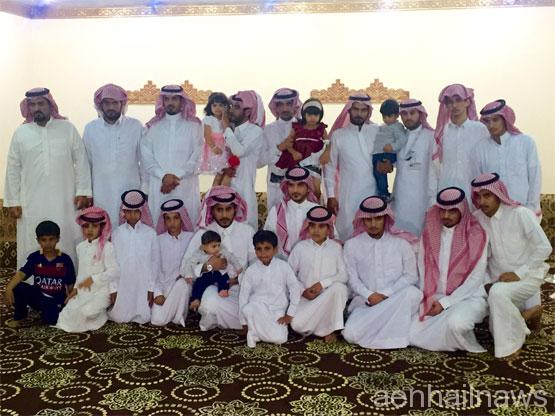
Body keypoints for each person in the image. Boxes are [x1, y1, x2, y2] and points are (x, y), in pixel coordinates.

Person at [4, 88, 91, 268]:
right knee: (31, 239)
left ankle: (67, 278)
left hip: (65, 200)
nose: (37, 108)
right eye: (32, 105)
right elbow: (13, 168)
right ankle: (30, 280)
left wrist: (83, 191)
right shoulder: (21, 133)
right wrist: (13, 201)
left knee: (66, 236)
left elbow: (81, 160)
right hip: (31, 201)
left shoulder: (67, 128)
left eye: (41, 103)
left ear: (50, 105)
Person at [471, 173, 552, 359]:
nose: (482, 202)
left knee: (498, 296)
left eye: (487, 196)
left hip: (527, 277)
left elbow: (544, 247)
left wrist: (518, 273)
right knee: (493, 324)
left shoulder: (520, 214)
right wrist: (486, 281)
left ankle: (510, 347)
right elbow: (479, 256)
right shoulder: (478, 218)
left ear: (498, 195)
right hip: (497, 279)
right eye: (479, 196)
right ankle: (526, 315)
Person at [409, 187, 488, 352]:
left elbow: (475, 279)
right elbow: (423, 268)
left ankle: (454, 334)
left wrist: (445, 304)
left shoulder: (477, 235)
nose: (446, 215)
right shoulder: (430, 232)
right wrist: (428, 296)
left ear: (461, 211)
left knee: (456, 324)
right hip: (435, 296)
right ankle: (444, 336)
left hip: (468, 297)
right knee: (409, 329)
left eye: (452, 211)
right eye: (442, 210)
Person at [342, 196, 421, 349]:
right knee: (350, 334)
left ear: (386, 218)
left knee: (412, 293)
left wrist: (386, 294)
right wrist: (369, 295)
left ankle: (380, 328)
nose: (373, 224)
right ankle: (395, 329)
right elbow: (352, 279)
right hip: (366, 303)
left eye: (378, 219)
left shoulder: (401, 244)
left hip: (395, 298)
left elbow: (411, 276)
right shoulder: (351, 245)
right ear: (362, 220)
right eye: (368, 219)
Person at [182, 186, 255, 331]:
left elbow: (256, 263)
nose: (224, 214)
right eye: (219, 210)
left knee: (257, 305)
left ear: (235, 209)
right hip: (214, 286)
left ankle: (242, 320)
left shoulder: (247, 231)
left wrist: (239, 279)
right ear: (212, 210)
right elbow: (185, 267)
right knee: (210, 305)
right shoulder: (203, 233)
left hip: (242, 286)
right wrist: (208, 267)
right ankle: (245, 322)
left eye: (228, 209)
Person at [83, 83, 145, 225]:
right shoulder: (91, 129)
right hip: (101, 192)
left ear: (122, 104)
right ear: (100, 105)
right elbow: (86, 163)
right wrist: (87, 192)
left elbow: (144, 161)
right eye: (107, 103)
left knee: (129, 229)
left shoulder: (135, 126)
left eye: (115, 103)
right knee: (104, 227)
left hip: (130, 189)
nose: (111, 107)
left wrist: (144, 190)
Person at [142, 85, 203, 225]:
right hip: (159, 185)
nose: (170, 102)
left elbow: (198, 155)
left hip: (185, 186)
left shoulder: (195, 126)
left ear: (182, 101)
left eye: (175, 99)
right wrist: (163, 176)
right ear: (162, 101)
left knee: (188, 224)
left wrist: (177, 176)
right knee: (158, 224)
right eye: (167, 99)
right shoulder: (152, 127)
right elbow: (146, 156)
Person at [324, 93, 379, 241]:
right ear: (349, 110)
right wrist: (331, 196)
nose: (359, 113)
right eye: (356, 109)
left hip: (373, 193)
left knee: (371, 232)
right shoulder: (338, 135)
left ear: (368, 112)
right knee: (347, 232)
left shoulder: (377, 131)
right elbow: (330, 167)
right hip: (348, 195)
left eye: (363, 110)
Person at [289, 206, 348, 342]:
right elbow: (288, 276)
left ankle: (332, 330)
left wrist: (322, 284)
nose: (316, 230)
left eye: (321, 226)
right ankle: (323, 328)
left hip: (328, 299)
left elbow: (344, 275)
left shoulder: (336, 248)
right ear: (308, 227)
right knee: (296, 324)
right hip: (306, 300)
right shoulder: (300, 247)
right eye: (312, 226)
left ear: (328, 228)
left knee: (340, 288)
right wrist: (303, 291)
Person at [474, 99, 542, 216]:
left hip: (524, 209)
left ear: (505, 119)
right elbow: (479, 183)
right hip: (495, 213)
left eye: (495, 120)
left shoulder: (526, 142)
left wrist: (530, 208)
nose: (491, 125)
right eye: (487, 121)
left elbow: (535, 178)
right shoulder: (480, 148)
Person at [57, 207, 119, 332]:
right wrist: (75, 290)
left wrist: (93, 279)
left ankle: (101, 314)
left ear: (101, 227)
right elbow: (81, 273)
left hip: (102, 290)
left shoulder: (107, 247)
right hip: (84, 288)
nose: (90, 230)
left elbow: (114, 271)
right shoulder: (80, 247)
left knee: (88, 312)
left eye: (94, 226)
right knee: (66, 313)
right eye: (86, 226)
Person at [4, 221, 76, 327]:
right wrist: (8, 288)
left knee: (51, 320)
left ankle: (50, 312)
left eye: (51, 239)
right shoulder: (35, 257)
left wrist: (71, 304)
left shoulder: (65, 259)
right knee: (18, 287)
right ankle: (20, 316)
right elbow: (21, 274)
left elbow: (70, 284)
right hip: (38, 297)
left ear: (58, 239)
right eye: (43, 240)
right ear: (38, 240)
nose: (48, 243)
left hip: (56, 300)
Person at [239, 230, 302, 348]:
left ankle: (255, 333)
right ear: (255, 250)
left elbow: (295, 289)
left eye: (267, 248)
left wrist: (290, 314)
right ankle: (253, 332)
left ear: (275, 249)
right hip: (257, 308)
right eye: (259, 249)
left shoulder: (284, 267)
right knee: (249, 309)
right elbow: (243, 295)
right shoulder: (251, 270)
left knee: (280, 339)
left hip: (277, 310)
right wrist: (243, 322)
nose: (263, 253)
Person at [109, 190, 160, 324]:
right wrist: (113, 288)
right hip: (123, 282)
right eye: (129, 211)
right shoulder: (116, 234)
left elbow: (155, 262)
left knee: (144, 317)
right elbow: (112, 262)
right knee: (119, 318)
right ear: (124, 212)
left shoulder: (150, 233)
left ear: (141, 212)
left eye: (136, 211)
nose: (132, 215)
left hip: (143, 282)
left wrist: (151, 288)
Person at [432, 83, 489, 200]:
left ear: (467, 102)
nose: (454, 105)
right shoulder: (442, 132)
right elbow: (435, 167)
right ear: (446, 106)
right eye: (450, 102)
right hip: (446, 190)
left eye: (458, 100)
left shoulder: (480, 130)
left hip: (474, 192)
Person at [222, 90, 266, 229]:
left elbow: (239, 151)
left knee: (245, 232)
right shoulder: (230, 131)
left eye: (236, 107)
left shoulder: (255, 131)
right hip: (224, 190)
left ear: (248, 112)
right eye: (231, 106)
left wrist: (226, 128)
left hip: (244, 191)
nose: (231, 111)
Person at [392, 99, 436, 236]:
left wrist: (432, 200)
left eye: (412, 113)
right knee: (400, 236)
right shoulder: (398, 137)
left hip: (422, 198)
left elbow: (435, 170)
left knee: (421, 237)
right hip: (400, 197)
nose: (408, 117)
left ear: (420, 114)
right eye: (404, 114)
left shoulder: (431, 137)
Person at [150, 199, 195, 327]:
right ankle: (176, 316)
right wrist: (158, 293)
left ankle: (177, 315)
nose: (172, 223)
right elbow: (153, 270)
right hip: (164, 286)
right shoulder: (158, 240)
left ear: (182, 219)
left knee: (182, 285)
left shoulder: (191, 238)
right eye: (168, 219)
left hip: (186, 284)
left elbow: (198, 263)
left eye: (176, 218)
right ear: (164, 221)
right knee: (156, 320)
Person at [275, 98, 329, 199]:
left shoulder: (321, 129)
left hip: (314, 162)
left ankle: (316, 205)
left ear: (320, 116)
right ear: (304, 115)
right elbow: (288, 143)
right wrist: (293, 152)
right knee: (297, 186)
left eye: (316, 115)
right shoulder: (297, 128)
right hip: (297, 161)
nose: (313, 118)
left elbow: (328, 143)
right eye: (309, 115)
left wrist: (326, 153)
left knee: (316, 188)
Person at [264, 167, 319, 258]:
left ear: (308, 187)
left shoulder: (317, 210)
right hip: (282, 261)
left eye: (300, 185)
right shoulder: (277, 211)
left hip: (310, 261)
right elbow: (267, 240)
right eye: (291, 185)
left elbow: (329, 240)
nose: (295, 190)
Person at [262, 88, 302, 210]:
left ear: (295, 106)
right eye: (280, 105)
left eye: (288, 104)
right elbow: (259, 161)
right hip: (276, 187)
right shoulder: (267, 130)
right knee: (276, 218)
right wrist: (279, 148)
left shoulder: (304, 128)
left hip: (300, 185)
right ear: (276, 108)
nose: (285, 108)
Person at [182, 230, 243, 312]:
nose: (217, 248)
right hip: (206, 274)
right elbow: (189, 263)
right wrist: (188, 275)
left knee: (225, 278)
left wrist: (238, 268)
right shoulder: (199, 254)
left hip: (219, 272)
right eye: (214, 246)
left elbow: (232, 258)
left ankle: (223, 290)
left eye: (219, 245)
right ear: (204, 247)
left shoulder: (222, 251)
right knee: (198, 283)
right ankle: (196, 299)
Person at [197, 92, 236, 186]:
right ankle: (214, 192)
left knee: (226, 173)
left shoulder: (227, 120)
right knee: (220, 173)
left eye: (221, 105)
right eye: (214, 105)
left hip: (226, 149)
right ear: (209, 107)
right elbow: (207, 136)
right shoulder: (209, 119)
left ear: (226, 107)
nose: (217, 108)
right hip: (215, 150)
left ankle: (221, 191)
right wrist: (213, 147)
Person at [372, 99, 407, 199]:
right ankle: (379, 191)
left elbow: (402, 140)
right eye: (384, 116)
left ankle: (384, 193)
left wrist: (392, 147)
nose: (386, 119)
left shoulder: (397, 127)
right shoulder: (383, 126)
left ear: (397, 115)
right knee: (375, 172)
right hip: (378, 154)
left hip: (387, 154)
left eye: (389, 116)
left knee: (381, 172)